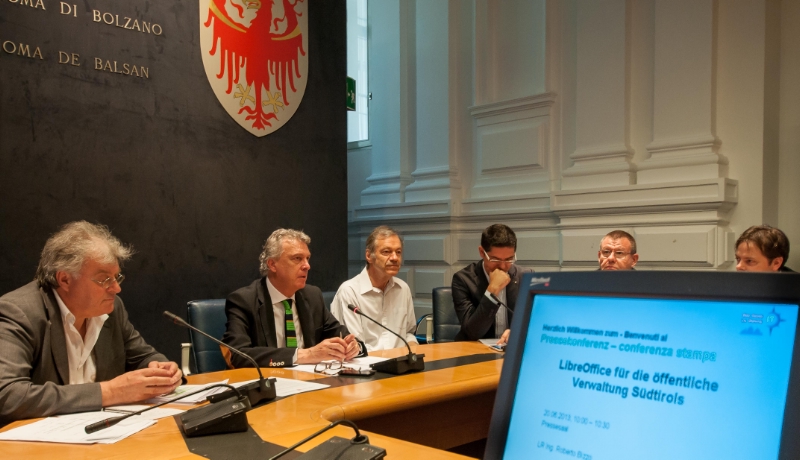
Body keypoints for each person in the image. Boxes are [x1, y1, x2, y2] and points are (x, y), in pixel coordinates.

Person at [0, 221, 182, 425]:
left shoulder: (111, 309)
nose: (116, 288)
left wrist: (161, 370)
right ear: (65, 280)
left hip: (104, 433)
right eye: (104, 279)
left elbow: (143, 356)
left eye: (117, 277)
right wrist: (109, 392)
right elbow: (7, 395)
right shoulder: (19, 312)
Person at [222, 229, 361, 368]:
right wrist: (304, 355)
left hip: (310, 378)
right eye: (297, 258)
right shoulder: (244, 301)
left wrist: (353, 346)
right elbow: (237, 355)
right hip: (269, 379)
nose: (307, 266)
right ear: (272, 264)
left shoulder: (312, 296)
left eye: (307, 258)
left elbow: (340, 334)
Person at [330, 226, 417, 351]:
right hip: (366, 361)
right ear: (369, 256)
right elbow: (353, 346)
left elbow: (408, 332)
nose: (394, 258)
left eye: (398, 252)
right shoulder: (349, 291)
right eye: (386, 252)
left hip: (401, 360)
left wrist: (413, 347)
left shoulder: (403, 289)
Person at [452, 224, 530, 345]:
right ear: (482, 252)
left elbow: (535, 321)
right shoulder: (463, 280)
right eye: (495, 260)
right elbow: (473, 332)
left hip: (510, 348)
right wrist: (492, 290)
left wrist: (518, 332)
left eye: (509, 259)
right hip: (475, 349)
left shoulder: (525, 276)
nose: (503, 266)